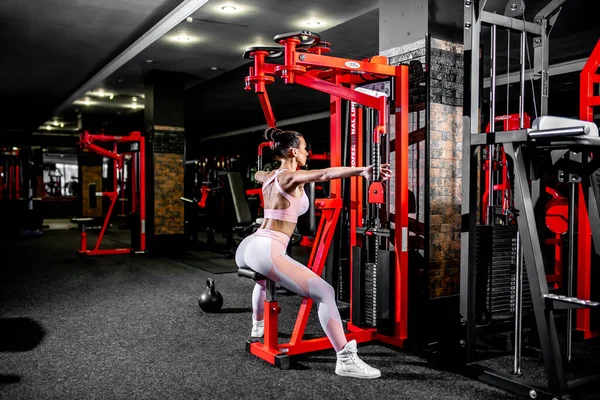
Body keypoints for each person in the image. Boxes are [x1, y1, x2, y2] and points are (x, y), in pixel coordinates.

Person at [235, 127, 392, 379]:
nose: (308, 152)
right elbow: (326, 173)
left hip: (248, 246)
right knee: (325, 292)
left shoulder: (269, 176)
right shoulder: (289, 177)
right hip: (267, 248)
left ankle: (257, 327)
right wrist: (362, 171)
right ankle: (345, 359)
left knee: (264, 282)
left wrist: (263, 172)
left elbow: (258, 173)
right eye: (305, 148)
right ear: (294, 151)